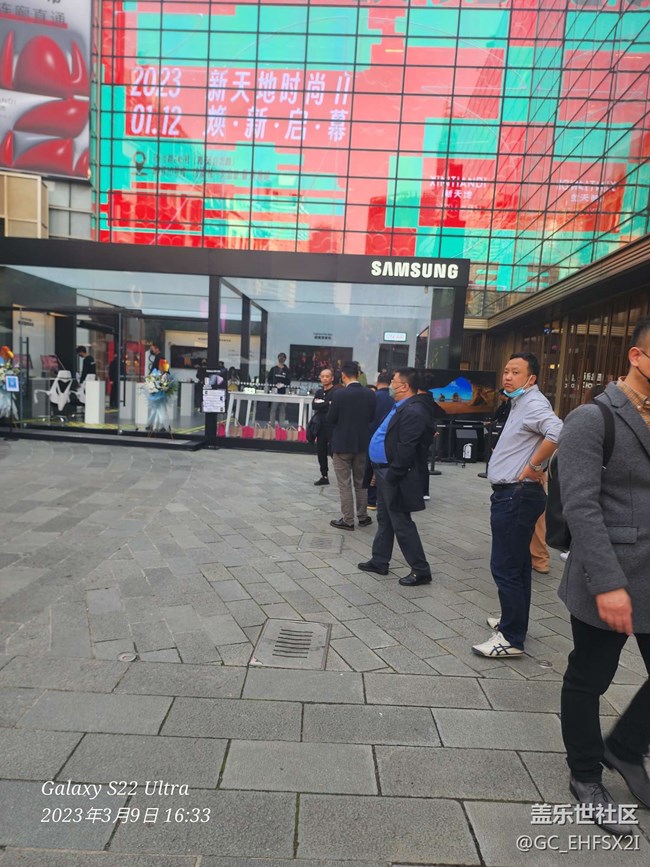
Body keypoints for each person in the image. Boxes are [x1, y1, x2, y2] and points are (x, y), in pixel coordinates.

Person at [557, 318, 650, 835]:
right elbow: (581, 507)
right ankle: (586, 775)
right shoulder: (592, 418)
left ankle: (626, 746)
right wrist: (609, 584)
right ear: (636, 356)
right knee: (589, 678)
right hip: (608, 573)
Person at [472, 352, 562, 657]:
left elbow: (558, 431)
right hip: (515, 494)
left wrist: (534, 466)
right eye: (506, 371)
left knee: (505, 566)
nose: (508, 377)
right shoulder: (520, 402)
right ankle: (514, 622)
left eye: (515, 372)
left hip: (516, 494)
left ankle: (510, 638)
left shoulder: (533, 403)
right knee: (519, 564)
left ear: (531, 378)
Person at [359, 368, 432, 586]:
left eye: (393, 381)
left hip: (395, 474)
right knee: (385, 519)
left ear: (404, 386)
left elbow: (406, 448)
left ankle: (421, 569)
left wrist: (392, 475)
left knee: (401, 523)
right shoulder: (399, 406)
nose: (390, 385)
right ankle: (379, 560)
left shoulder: (414, 410)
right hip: (384, 471)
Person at [326, 360, 376, 530]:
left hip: (342, 444)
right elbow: (371, 418)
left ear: (343, 375)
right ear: (359, 374)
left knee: (344, 483)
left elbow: (330, 419)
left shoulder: (339, 394)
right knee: (361, 482)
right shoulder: (370, 394)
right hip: (361, 444)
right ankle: (363, 516)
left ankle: (348, 519)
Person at [363, 372, 395, 509]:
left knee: (370, 469)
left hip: (372, 437)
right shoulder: (395, 398)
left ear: (377, 382)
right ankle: (385, 499)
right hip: (390, 439)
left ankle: (371, 499)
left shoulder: (373, 397)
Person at [413, 372, 445, 501]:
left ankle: (418, 491)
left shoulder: (419, 400)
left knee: (416, 463)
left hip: (418, 434)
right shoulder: (430, 399)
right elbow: (440, 413)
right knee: (422, 463)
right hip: (427, 435)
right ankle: (424, 491)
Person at [311, 368, 342, 486]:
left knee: (334, 452)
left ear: (332, 378)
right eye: (322, 376)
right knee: (321, 451)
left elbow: (333, 406)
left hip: (332, 426)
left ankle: (342, 475)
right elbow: (314, 405)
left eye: (327, 376)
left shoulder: (336, 391)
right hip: (320, 426)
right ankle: (324, 475)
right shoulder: (319, 392)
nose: (324, 378)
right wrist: (327, 403)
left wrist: (323, 404)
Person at [267, 352, 291, 426]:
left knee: (282, 410)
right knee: (273, 409)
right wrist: (274, 385)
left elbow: (289, 380)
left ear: (285, 359)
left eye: (283, 357)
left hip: (283, 392)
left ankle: (281, 426)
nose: (281, 359)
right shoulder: (273, 369)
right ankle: (272, 426)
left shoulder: (287, 370)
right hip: (275, 391)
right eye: (280, 357)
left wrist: (283, 384)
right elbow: (269, 379)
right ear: (278, 358)